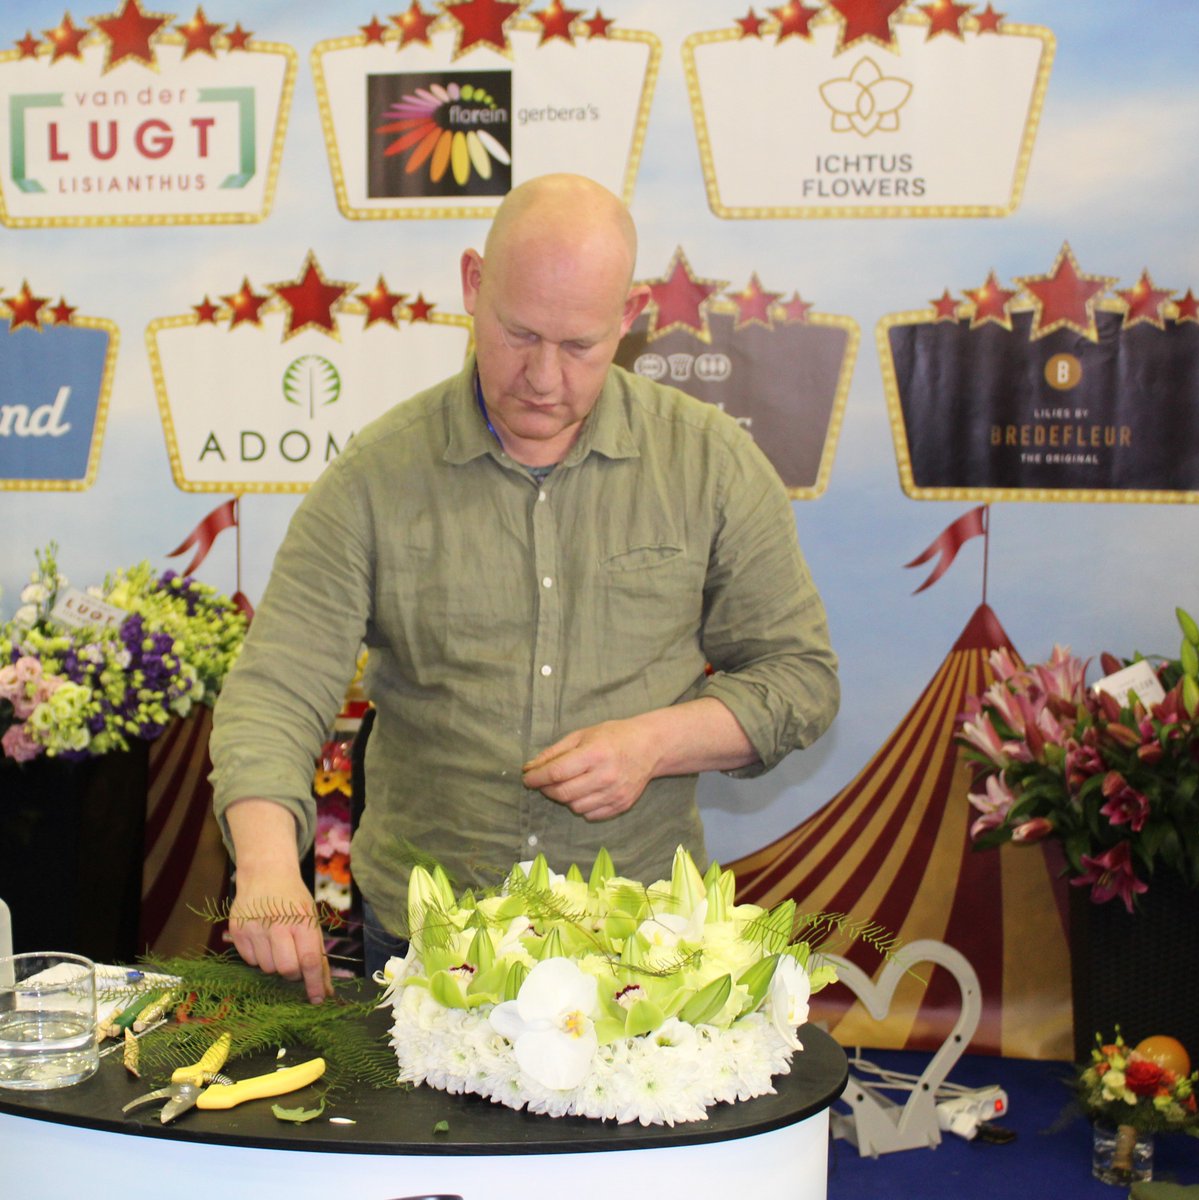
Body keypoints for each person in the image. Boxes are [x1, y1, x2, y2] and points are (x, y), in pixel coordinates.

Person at [209, 174, 838, 1003]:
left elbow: (800, 679)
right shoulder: (377, 475)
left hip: (638, 938)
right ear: (473, 285)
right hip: (425, 943)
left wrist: (654, 742)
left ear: (630, 314)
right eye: (518, 334)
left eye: (579, 346)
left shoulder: (709, 463)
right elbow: (277, 688)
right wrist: (263, 866)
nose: (544, 377)